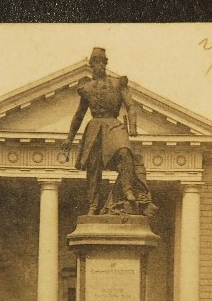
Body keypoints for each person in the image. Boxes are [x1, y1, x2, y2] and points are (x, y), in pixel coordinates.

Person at [62, 47, 157, 217]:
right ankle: (93, 204)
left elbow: (130, 105)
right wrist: (69, 139)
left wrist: (133, 127)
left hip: (114, 124)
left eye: (103, 62)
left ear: (106, 64)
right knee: (93, 167)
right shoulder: (87, 89)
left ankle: (128, 190)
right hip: (95, 127)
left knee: (125, 152)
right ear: (91, 65)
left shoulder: (117, 83)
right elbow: (79, 115)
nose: (100, 66)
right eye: (97, 62)